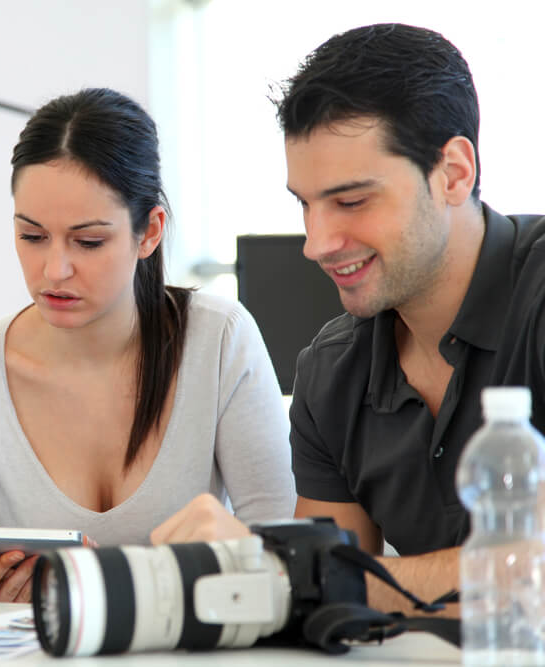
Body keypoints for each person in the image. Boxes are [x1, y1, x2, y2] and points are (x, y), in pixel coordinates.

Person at [188, 22, 545, 614]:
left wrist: (288, 570)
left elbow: (533, 576)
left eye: (351, 201)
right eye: (305, 204)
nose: (317, 242)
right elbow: (325, 604)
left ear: (454, 173)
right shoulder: (332, 373)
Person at [0, 88, 295, 602]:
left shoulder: (220, 340)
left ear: (149, 232)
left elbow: (283, 562)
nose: (54, 271)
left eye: (88, 241)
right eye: (32, 237)